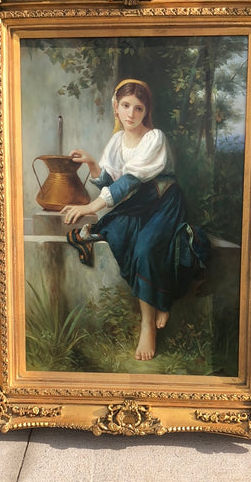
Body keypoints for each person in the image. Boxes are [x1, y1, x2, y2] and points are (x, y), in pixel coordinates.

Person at [62, 78, 208, 361]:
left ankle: (149, 322)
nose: (130, 114)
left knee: (146, 246)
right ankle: (159, 298)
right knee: (116, 232)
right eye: (126, 106)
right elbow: (108, 181)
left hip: (164, 202)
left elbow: (127, 183)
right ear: (116, 106)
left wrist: (90, 206)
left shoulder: (155, 138)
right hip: (139, 204)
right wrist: (93, 164)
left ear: (145, 112)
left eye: (138, 108)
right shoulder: (116, 141)